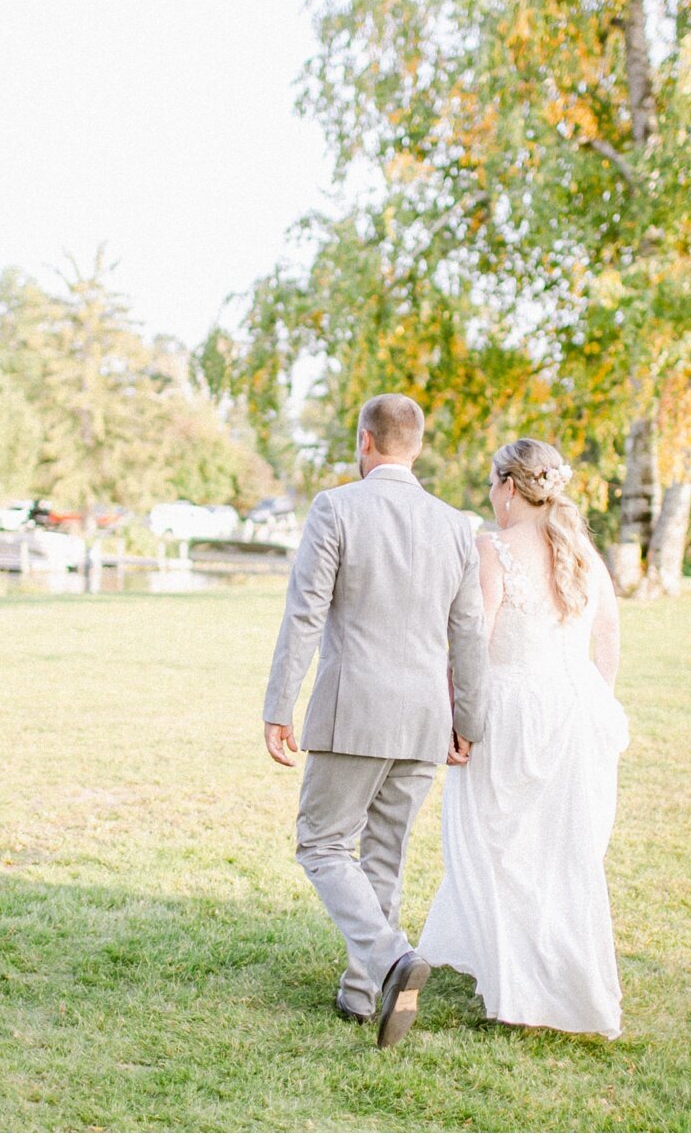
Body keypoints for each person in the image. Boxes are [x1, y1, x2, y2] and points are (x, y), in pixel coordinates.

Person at [263, 393, 488, 1049]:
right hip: (424, 717)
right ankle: (362, 995)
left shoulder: (336, 506)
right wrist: (467, 716)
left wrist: (280, 704)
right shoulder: (455, 524)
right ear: (413, 446)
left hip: (353, 708)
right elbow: (468, 631)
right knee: (382, 854)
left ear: (366, 441)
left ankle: (390, 959)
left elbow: (305, 612)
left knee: (322, 842)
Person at [416, 438, 629, 1037]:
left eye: (492, 484)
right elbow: (608, 633)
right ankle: (547, 978)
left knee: (493, 846)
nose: (490, 495)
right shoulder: (583, 550)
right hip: (575, 709)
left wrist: (458, 717)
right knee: (561, 852)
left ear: (509, 486)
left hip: (510, 712)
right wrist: (597, 695)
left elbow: (473, 639)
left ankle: (520, 990)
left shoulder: (494, 548)